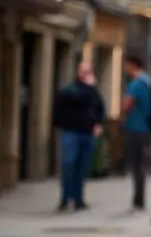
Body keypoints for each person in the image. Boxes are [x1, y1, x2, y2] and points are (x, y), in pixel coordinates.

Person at [52, 62, 104, 212]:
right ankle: (65, 199)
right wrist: (90, 87)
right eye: (83, 71)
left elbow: (99, 107)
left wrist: (99, 124)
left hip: (87, 134)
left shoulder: (93, 91)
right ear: (77, 72)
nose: (85, 74)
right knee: (69, 165)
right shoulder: (70, 89)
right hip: (71, 133)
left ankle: (78, 199)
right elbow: (79, 99)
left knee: (82, 167)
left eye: (88, 71)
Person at [122, 54, 151, 211]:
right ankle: (139, 198)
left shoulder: (135, 84)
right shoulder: (148, 82)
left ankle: (138, 200)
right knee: (140, 165)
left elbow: (127, 104)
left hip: (135, 128)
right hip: (145, 128)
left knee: (135, 165)